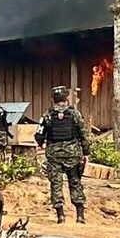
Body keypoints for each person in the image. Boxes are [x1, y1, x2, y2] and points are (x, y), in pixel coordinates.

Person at [35, 86, 90, 224]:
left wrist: (42, 144)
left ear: (52, 99)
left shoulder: (47, 115)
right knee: (75, 182)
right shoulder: (75, 114)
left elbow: (39, 134)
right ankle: (80, 216)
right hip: (72, 154)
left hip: (54, 155)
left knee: (56, 184)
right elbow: (84, 134)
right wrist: (86, 152)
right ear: (67, 99)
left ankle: (60, 216)